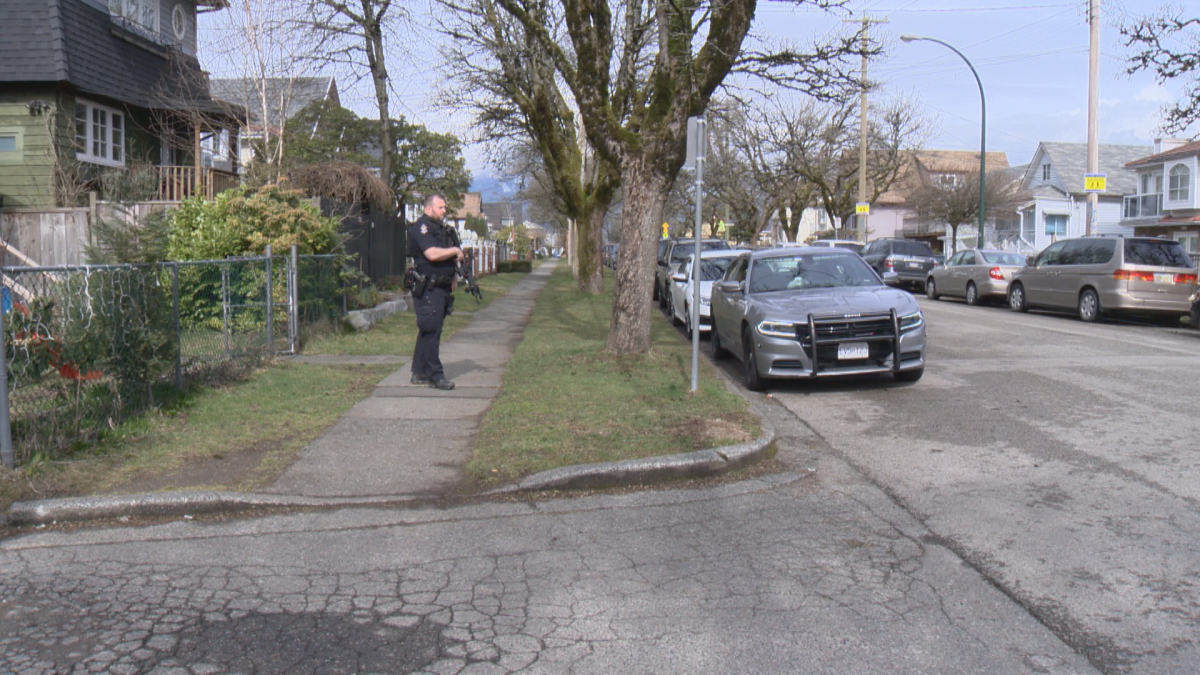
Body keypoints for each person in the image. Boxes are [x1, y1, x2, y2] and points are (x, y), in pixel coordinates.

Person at [407, 193, 463, 391]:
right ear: (428, 209)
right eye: (440, 207)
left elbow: (445, 258)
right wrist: (455, 250)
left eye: (444, 207)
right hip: (428, 288)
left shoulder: (442, 230)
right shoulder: (421, 228)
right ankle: (435, 375)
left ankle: (419, 372)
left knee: (429, 329)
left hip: (441, 287)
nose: (444, 210)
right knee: (431, 331)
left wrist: (453, 278)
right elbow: (431, 254)